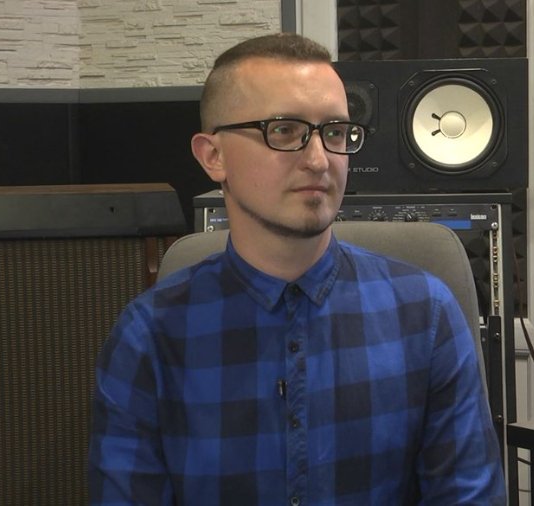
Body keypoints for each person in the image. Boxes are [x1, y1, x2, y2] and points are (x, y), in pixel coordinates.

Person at [88, 32, 505, 505]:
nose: (319, 160)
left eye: (335, 132)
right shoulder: (149, 336)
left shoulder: (425, 315)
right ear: (213, 156)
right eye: (284, 130)